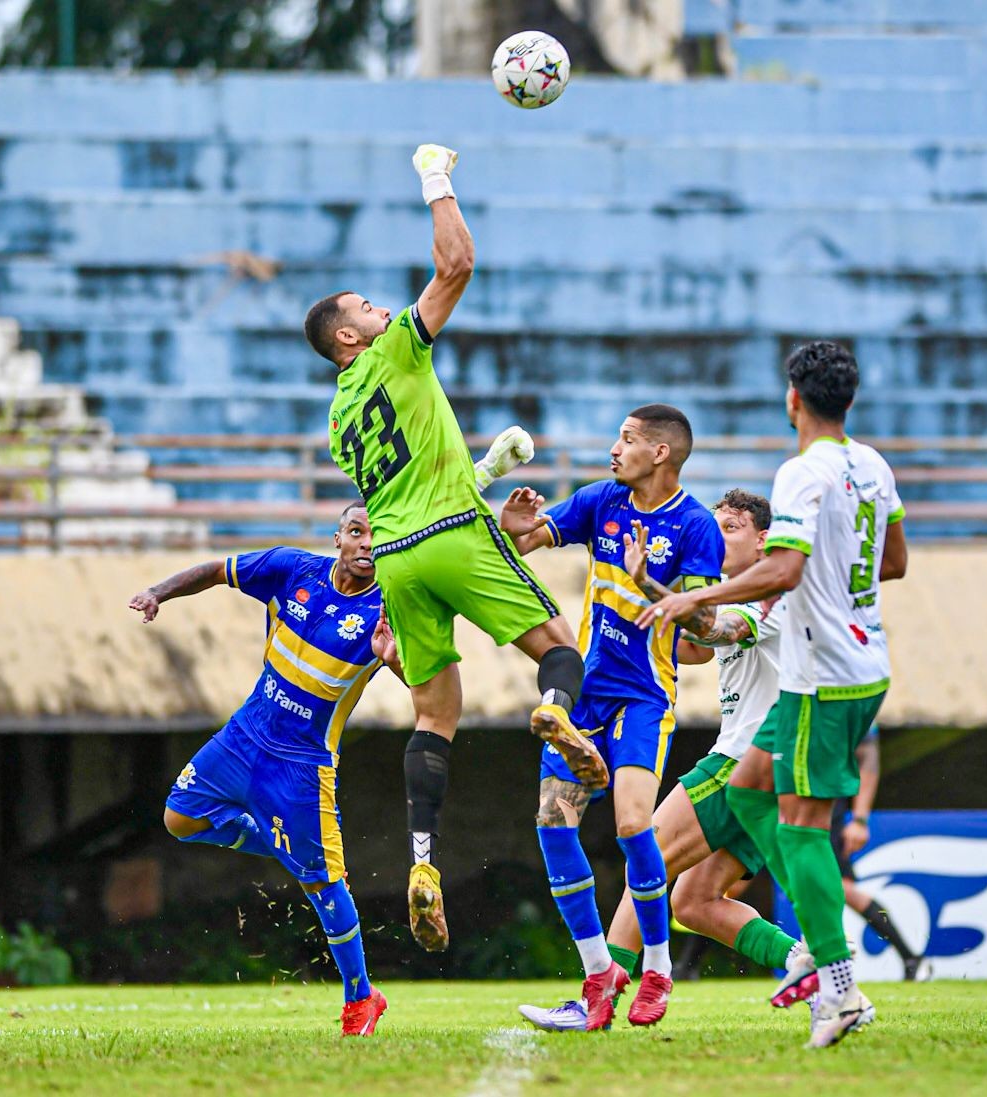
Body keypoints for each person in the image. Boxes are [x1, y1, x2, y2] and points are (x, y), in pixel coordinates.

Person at [304, 144, 607, 952]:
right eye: (364, 305)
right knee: (557, 646)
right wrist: (434, 175)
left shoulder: (338, 419)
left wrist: (485, 470)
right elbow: (458, 265)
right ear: (347, 336)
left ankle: (423, 862)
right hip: (452, 534)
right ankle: (555, 710)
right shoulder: (394, 347)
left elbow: (404, 484)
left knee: (435, 712)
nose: (378, 308)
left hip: (400, 558)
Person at [647, 341, 908, 1049]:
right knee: (753, 786)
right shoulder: (873, 465)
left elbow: (784, 569)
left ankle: (839, 983)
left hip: (822, 673)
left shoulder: (801, 472)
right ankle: (811, 962)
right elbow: (894, 561)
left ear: (793, 398)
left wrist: (686, 602)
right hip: (858, 660)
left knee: (798, 827)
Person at [517, 489, 806, 1031]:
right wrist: (638, 612)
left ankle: (599, 994)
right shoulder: (736, 596)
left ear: (764, 541)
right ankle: (807, 967)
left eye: (731, 527)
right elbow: (693, 646)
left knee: (644, 850)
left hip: (743, 763)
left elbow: (714, 631)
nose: (715, 536)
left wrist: (652, 586)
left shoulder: (768, 598)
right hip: (772, 768)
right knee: (693, 901)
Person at [499, 406, 726, 1030]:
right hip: (587, 693)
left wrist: (650, 585)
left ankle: (657, 968)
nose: (613, 448)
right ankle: (599, 972)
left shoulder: (696, 526)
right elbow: (530, 537)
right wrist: (512, 526)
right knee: (553, 823)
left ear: (660, 453)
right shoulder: (602, 500)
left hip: (645, 695)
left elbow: (705, 630)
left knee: (632, 825)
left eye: (626, 439)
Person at [129, 503, 393, 1037]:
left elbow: (424, 682)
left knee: (324, 885)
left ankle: (361, 997)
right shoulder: (292, 568)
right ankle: (279, 844)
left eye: (377, 536)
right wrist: (159, 592)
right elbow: (216, 570)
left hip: (301, 765)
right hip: (244, 735)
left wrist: (395, 660)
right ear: (338, 536)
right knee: (179, 819)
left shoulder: (389, 610)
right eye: (357, 532)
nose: (366, 544)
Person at [830, 727, 932, 983]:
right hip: (784, 806)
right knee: (836, 890)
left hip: (821, 808)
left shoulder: (852, 696)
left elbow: (868, 754)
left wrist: (860, 819)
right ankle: (909, 957)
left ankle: (909, 958)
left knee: (839, 889)